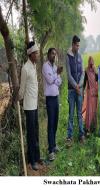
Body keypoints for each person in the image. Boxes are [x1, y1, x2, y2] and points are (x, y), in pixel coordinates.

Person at [19, 41, 41, 171]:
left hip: (35, 104)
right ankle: (32, 160)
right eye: (36, 53)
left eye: (37, 52)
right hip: (28, 106)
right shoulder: (25, 68)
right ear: (31, 54)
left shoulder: (33, 66)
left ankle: (37, 157)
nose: (38, 55)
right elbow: (22, 89)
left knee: (36, 131)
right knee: (31, 134)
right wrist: (19, 99)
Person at [42, 48, 62, 161]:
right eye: (52, 54)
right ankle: (50, 151)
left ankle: (54, 145)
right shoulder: (45, 66)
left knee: (55, 122)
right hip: (49, 99)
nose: (54, 55)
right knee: (50, 123)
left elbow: (59, 82)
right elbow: (50, 80)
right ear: (49, 54)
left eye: (55, 54)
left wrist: (56, 75)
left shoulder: (54, 67)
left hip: (56, 97)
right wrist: (56, 75)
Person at [66, 35, 85, 144]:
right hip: (72, 90)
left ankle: (81, 134)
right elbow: (68, 75)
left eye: (79, 45)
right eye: (77, 45)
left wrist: (80, 85)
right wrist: (76, 86)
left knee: (79, 113)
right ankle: (69, 137)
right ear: (73, 44)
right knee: (71, 113)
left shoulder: (80, 57)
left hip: (80, 89)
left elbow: (82, 72)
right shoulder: (68, 56)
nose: (78, 47)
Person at [82, 56, 98, 135]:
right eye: (90, 61)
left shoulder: (95, 70)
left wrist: (96, 72)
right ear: (88, 62)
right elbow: (85, 81)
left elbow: (98, 80)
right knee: (89, 110)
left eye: (92, 61)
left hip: (95, 93)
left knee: (94, 110)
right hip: (89, 92)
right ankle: (87, 128)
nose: (91, 63)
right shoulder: (86, 71)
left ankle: (94, 127)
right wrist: (82, 91)